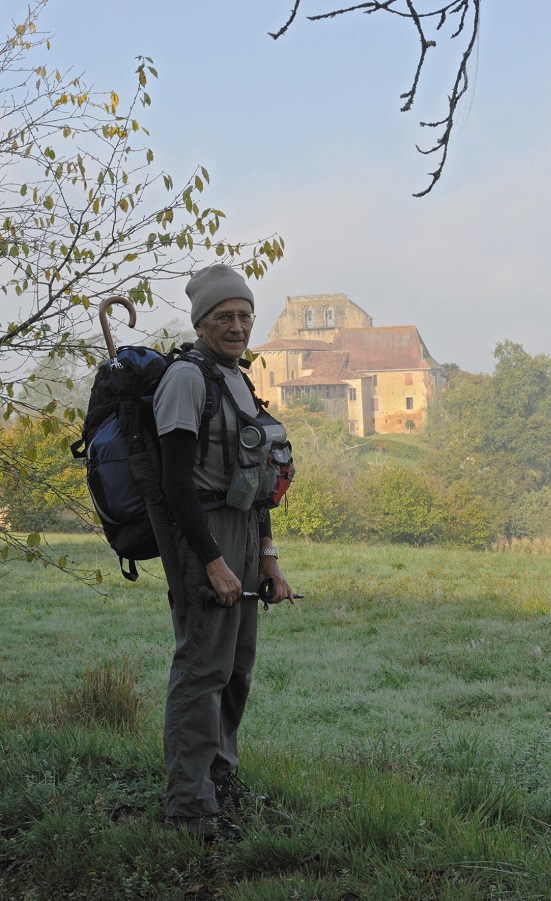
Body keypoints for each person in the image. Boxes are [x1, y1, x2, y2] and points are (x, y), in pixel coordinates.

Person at [153, 264, 294, 839]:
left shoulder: (239, 378)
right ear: (202, 322)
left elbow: (255, 478)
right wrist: (211, 558)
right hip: (203, 533)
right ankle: (188, 807)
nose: (237, 326)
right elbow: (175, 482)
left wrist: (268, 557)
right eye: (224, 317)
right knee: (202, 669)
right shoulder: (186, 380)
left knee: (236, 670)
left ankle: (218, 778)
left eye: (243, 316)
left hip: (242, 530)